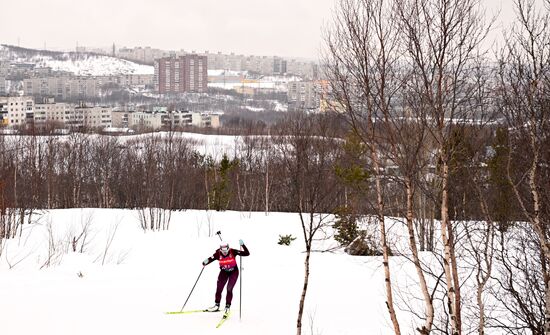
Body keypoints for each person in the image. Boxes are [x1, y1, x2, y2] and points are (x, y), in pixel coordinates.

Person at [202, 239, 250, 313]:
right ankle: (216, 305)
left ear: (228, 248)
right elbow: (211, 258)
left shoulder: (233, 251)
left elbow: (247, 253)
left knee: (229, 289)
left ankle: (227, 307)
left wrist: (243, 245)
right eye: (222, 250)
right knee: (219, 289)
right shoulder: (218, 254)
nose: (224, 252)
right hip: (223, 272)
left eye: (226, 249)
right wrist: (205, 262)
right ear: (220, 249)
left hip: (233, 272)